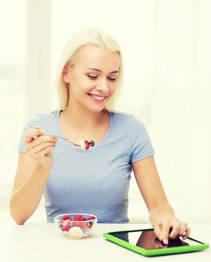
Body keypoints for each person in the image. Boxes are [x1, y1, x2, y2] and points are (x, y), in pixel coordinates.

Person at [9, 27, 190, 245]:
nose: (104, 87)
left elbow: (159, 207)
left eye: (112, 78)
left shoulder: (131, 130)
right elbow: (19, 215)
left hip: (116, 254)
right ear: (67, 73)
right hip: (57, 254)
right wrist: (42, 167)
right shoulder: (39, 130)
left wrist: (168, 221)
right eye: (93, 76)